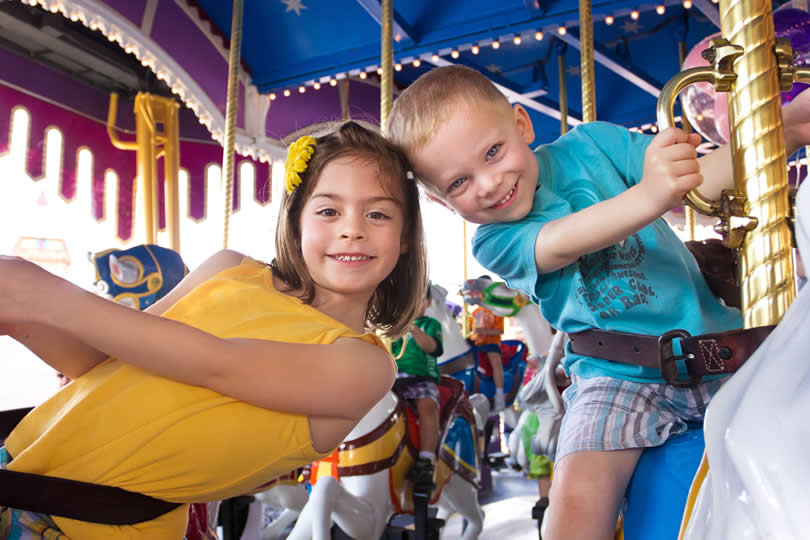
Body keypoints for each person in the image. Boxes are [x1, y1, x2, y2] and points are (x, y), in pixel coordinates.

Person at [386, 64, 810, 539]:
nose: (486, 183)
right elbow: (565, 240)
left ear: (521, 125)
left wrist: (786, 130)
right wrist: (650, 194)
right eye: (458, 183)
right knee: (574, 506)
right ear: (443, 202)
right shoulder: (494, 240)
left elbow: (695, 182)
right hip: (618, 381)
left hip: (721, 352)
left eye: (493, 151)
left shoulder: (594, 146)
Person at [0, 120, 427, 539]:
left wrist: (46, 295)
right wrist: (23, 319)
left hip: (97, 527)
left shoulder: (364, 365)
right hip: (15, 465)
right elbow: (97, 361)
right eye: (329, 211)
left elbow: (214, 364)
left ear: (405, 236)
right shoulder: (228, 268)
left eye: (377, 214)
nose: (352, 229)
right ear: (297, 221)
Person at [391, 287, 443, 487]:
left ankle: (426, 459)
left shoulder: (430, 324)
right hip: (395, 379)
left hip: (421, 379)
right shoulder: (394, 328)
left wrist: (412, 327)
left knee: (427, 406)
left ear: (428, 302)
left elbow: (432, 348)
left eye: (418, 300)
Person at [469, 299, 506, 411]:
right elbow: (470, 331)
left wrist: (483, 331)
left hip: (491, 343)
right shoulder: (475, 312)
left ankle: (499, 394)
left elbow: (499, 331)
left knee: (495, 361)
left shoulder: (496, 310)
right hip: (476, 344)